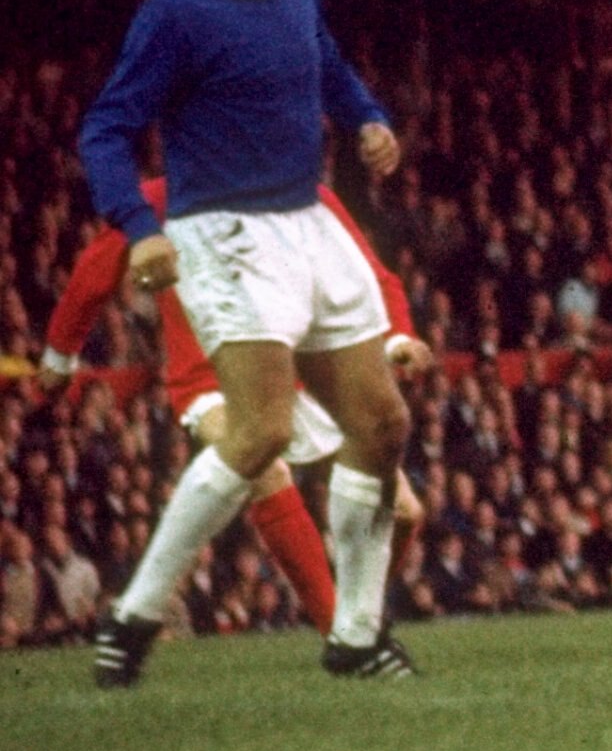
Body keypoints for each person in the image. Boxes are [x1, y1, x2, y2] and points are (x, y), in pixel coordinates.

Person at [76, 0, 418, 684]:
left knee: (383, 428)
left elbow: (328, 68)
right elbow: (106, 129)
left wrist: (367, 117)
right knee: (261, 431)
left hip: (306, 218)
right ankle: (135, 615)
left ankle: (357, 636)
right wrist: (136, 225)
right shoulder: (178, 10)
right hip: (224, 231)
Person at [44, 174, 432, 633]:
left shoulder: (302, 193)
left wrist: (399, 336)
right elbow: (96, 269)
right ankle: (339, 633)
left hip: (302, 374)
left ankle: (354, 615)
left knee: (407, 511)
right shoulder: (159, 200)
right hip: (208, 381)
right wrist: (60, 352)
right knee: (266, 465)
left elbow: (372, 275)